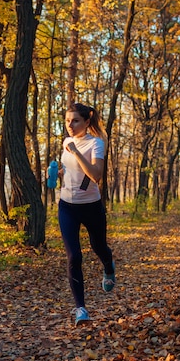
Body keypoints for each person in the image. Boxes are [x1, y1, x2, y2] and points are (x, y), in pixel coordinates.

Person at [56, 102, 115, 326]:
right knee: (74, 256)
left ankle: (108, 265)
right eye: (67, 121)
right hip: (67, 206)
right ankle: (81, 309)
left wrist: (77, 152)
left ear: (87, 122)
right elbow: (73, 169)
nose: (70, 125)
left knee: (98, 247)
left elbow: (96, 176)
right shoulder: (67, 142)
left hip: (91, 206)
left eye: (75, 121)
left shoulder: (96, 143)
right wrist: (60, 172)